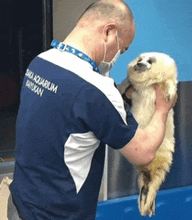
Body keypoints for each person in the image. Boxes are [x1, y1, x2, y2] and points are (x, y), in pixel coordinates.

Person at [8, 0, 175, 219]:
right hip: (57, 214)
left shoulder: (40, 61)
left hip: (20, 201)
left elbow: (67, 113)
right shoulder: (96, 89)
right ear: (109, 32)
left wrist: (123, 97)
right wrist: (163, 109)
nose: (118, 55)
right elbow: (143, 152)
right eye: (122, 48)